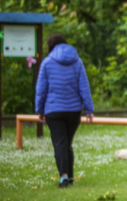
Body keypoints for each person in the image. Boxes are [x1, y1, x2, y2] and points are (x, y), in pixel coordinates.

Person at [35, 34, 95, 188]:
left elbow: (41, 89)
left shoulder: (47, 63)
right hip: (74, 110)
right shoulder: (77, 62)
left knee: (60, 143)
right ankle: (70, 176)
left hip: (53, 110)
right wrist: (89, 109)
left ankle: (64, 177)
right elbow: (84, 87)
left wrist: (39, 109)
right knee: (67, 143)